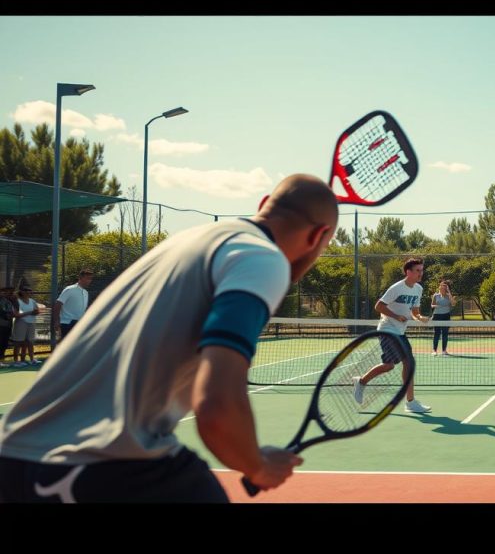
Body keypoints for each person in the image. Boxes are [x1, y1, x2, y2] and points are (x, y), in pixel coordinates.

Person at [0, 174, 338, 502]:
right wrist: (258, 466)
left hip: (13, 460)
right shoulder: (264, 259)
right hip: (100, 466)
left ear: (264, 204)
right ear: (319, 236)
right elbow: (217, 406)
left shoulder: (188, 241)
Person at [353, 258, 432, 413]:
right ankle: (363, 383)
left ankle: (409, 402)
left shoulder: (418, 289)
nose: (420, 273)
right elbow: (379, 306)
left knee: (399, 364)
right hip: (387, 330)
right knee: (400, 363)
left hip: (400, 331)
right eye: (417, 270)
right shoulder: (396, 288)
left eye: (422, 270)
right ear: (408, 272)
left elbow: (414, 311)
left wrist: (420, 318)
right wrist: (396, 316)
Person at [53, 269, 93, 342]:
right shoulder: (70, 289)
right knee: (66, 347)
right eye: (87, 278)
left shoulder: (86, 292)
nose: (89, 280)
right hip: (67, 323)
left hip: (79, 324)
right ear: (80, 277)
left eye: (90, 279)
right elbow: (58, 304)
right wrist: (56, 321)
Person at [11, 286, 45, 366]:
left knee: (29, 342)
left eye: (30, 291)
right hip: (21, 323)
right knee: (18, 342)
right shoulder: (18, 301)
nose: (29, 292)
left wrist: (37, 312)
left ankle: (30, 359)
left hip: (31, 323)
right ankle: (16, 361)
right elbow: (16, 315)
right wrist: (30, 313)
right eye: (27, 291)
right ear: (22, 292)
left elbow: (36, 311)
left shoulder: (32, 301)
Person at [430, 280, 455, 356]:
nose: (442, 287)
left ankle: (444, 351)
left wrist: (449, 292)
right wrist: (436, 306)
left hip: (446, 316)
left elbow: (453, 303)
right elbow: (432, 305)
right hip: (437, 316)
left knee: (445, 334)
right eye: (441, 285)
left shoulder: (448, 296)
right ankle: (434, 350)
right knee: (436, 333)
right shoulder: (435, 296)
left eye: (444, 286)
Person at [0, 285, 15, 366]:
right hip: (1, 325)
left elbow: (12, 312)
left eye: (6, 292)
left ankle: (2, 360)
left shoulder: (9, 302)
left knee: (4, 343)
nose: (5, 293)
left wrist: (10, 315)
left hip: (7, 326)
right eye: (3, 292)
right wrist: (6, 315)